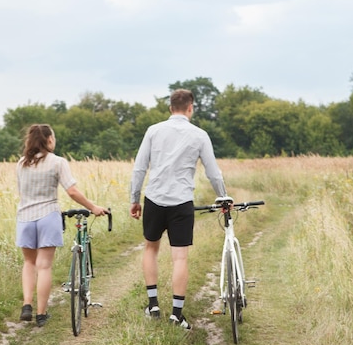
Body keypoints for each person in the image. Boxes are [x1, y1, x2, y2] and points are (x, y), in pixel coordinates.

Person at [129, 89, 228, 330]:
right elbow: (213, 172)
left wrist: (134, 198)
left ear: (170, 107)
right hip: (182, 201)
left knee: (151, 248)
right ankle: (176, 314)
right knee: (180, 257)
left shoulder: (153, 131)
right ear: (190, 107)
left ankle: (153, 306)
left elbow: (139, 168)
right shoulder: (200, 135)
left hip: (154, 198)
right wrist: (223, 196)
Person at [16, 123, 107, 327]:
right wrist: (93, 207)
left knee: (29, 263)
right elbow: (72, 192)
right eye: (53, 138)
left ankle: (27, 305)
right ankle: (41, 314)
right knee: (44, 265)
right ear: (49, 140)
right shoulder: (57, 162)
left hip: (25, 217)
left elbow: (22, 192)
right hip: (48, 215)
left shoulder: (22, 163)